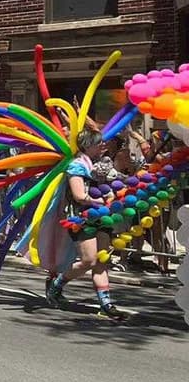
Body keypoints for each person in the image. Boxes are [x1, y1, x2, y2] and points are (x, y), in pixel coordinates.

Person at [46, 130, 127, 319]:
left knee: (101, 260)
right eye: (99, 142)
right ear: (88, 145)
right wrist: (102, 201)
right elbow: (79, 196)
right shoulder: (77, 165)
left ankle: (106, 304)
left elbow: (114, 184)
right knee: (88, 260)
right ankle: (56, 285)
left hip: (102, 216)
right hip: (82, 218)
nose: (103, 145)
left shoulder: (103, 164)